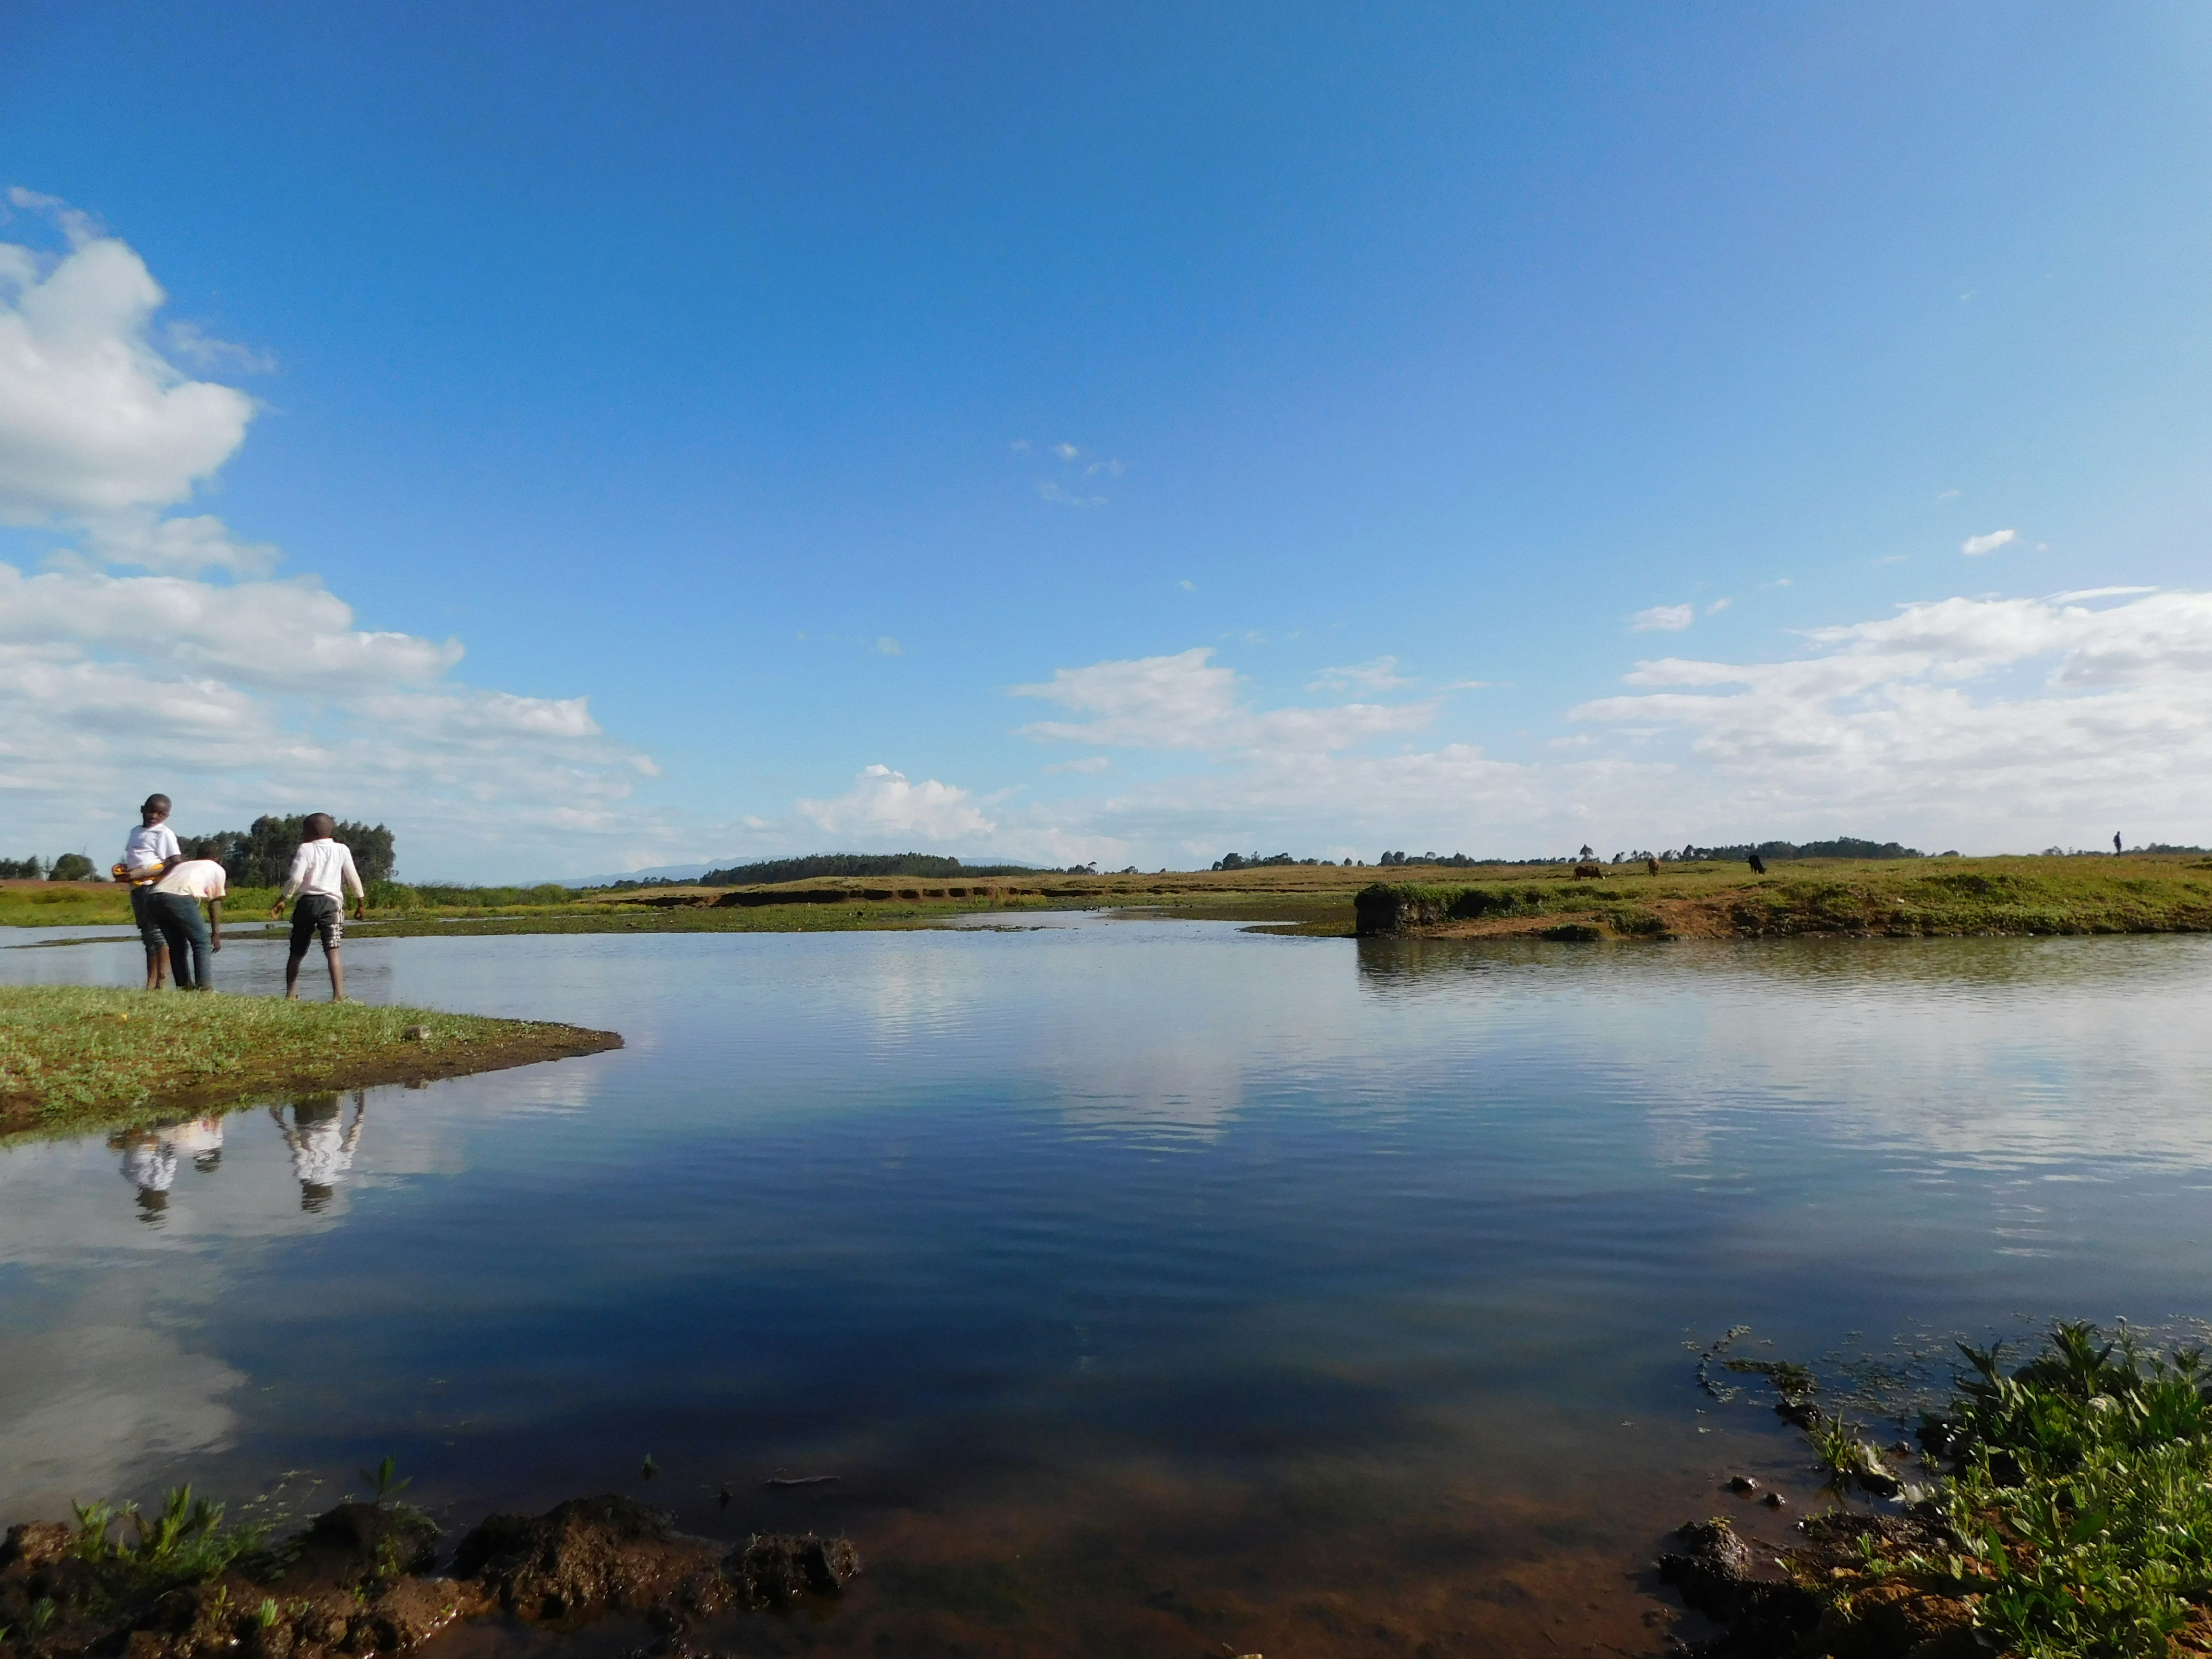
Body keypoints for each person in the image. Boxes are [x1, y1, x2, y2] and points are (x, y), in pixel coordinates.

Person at [270, 813, 367, 1000]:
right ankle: (338, 996)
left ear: (309, 831)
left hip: (306, 904)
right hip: (332, 904)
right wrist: (360, 902)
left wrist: (284, 898)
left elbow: (297, 878)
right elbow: (353, 877)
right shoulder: (342, 850)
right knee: (333, 951)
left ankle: (290, 994)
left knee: (297, 951)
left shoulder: (305, 849)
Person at [116, 794, 182, 990]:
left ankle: (161, 983)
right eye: (151, 810)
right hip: (137, 888)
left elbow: (175, 863)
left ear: (167, 816)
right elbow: (138, 857)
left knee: (158, 935)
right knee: (147, 936)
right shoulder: (136, 832)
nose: (154, 816)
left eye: (160, 813)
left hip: (154, 887)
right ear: (142, 809)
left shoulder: (164, 834)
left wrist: (144, 872)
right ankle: (150, 984)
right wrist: (125, 870)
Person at [149, 841, 227, 991]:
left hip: (154, 897)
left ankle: (184, 987)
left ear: (198, 856)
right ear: (220, 859)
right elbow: (215, 903)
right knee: (202, 942)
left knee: (177, 945)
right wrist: (216, 934)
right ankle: (205, 988)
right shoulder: (217, 869)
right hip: (178, 898)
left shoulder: (184, 865)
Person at [270, 1093, 366, 1212]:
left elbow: (354, 1136)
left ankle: (335, 1095)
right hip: (306, 1119)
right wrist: (280, 1121)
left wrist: (360, 1112)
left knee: (333, 1114)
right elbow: (295, 1143)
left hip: (331, 1115)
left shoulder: (341, 1168)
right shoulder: (304, 1172)